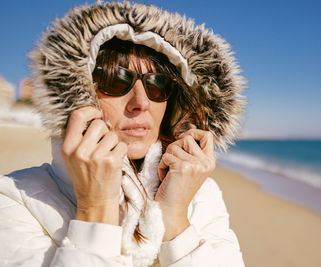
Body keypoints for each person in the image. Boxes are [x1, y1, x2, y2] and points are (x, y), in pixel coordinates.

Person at [0, 1, 246, 266]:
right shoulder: (14, 197)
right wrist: (95, 209)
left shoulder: (201, 195)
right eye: (115, 81)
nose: (141, 102)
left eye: (157, 84)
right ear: (80, 96)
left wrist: (174, 218)